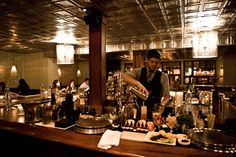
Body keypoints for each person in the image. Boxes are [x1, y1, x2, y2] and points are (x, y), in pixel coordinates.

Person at [122, 49, 170, 119]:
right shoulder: (139, 71)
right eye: (152, 61)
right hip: (139, 111)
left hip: (155, 113)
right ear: (148, 61)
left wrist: (161, 105)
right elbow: (124, 76)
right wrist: (137, 83)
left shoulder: (163, 76)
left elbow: (167, 96)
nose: (154, 64)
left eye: (156, 62)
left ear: (159, 63)